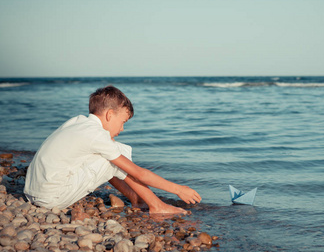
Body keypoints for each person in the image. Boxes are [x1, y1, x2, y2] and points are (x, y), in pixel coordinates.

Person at [24, 85, 201, 214]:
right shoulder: (96, 135)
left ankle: (137, 197)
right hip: (51, 198)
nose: (122, 129)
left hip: (33, 191)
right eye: (123, 122)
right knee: (113, 158)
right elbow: (139, 173)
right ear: (109, 115)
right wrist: (178, 189)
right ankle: (157, 205)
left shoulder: (77, 122)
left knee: (111, 153)